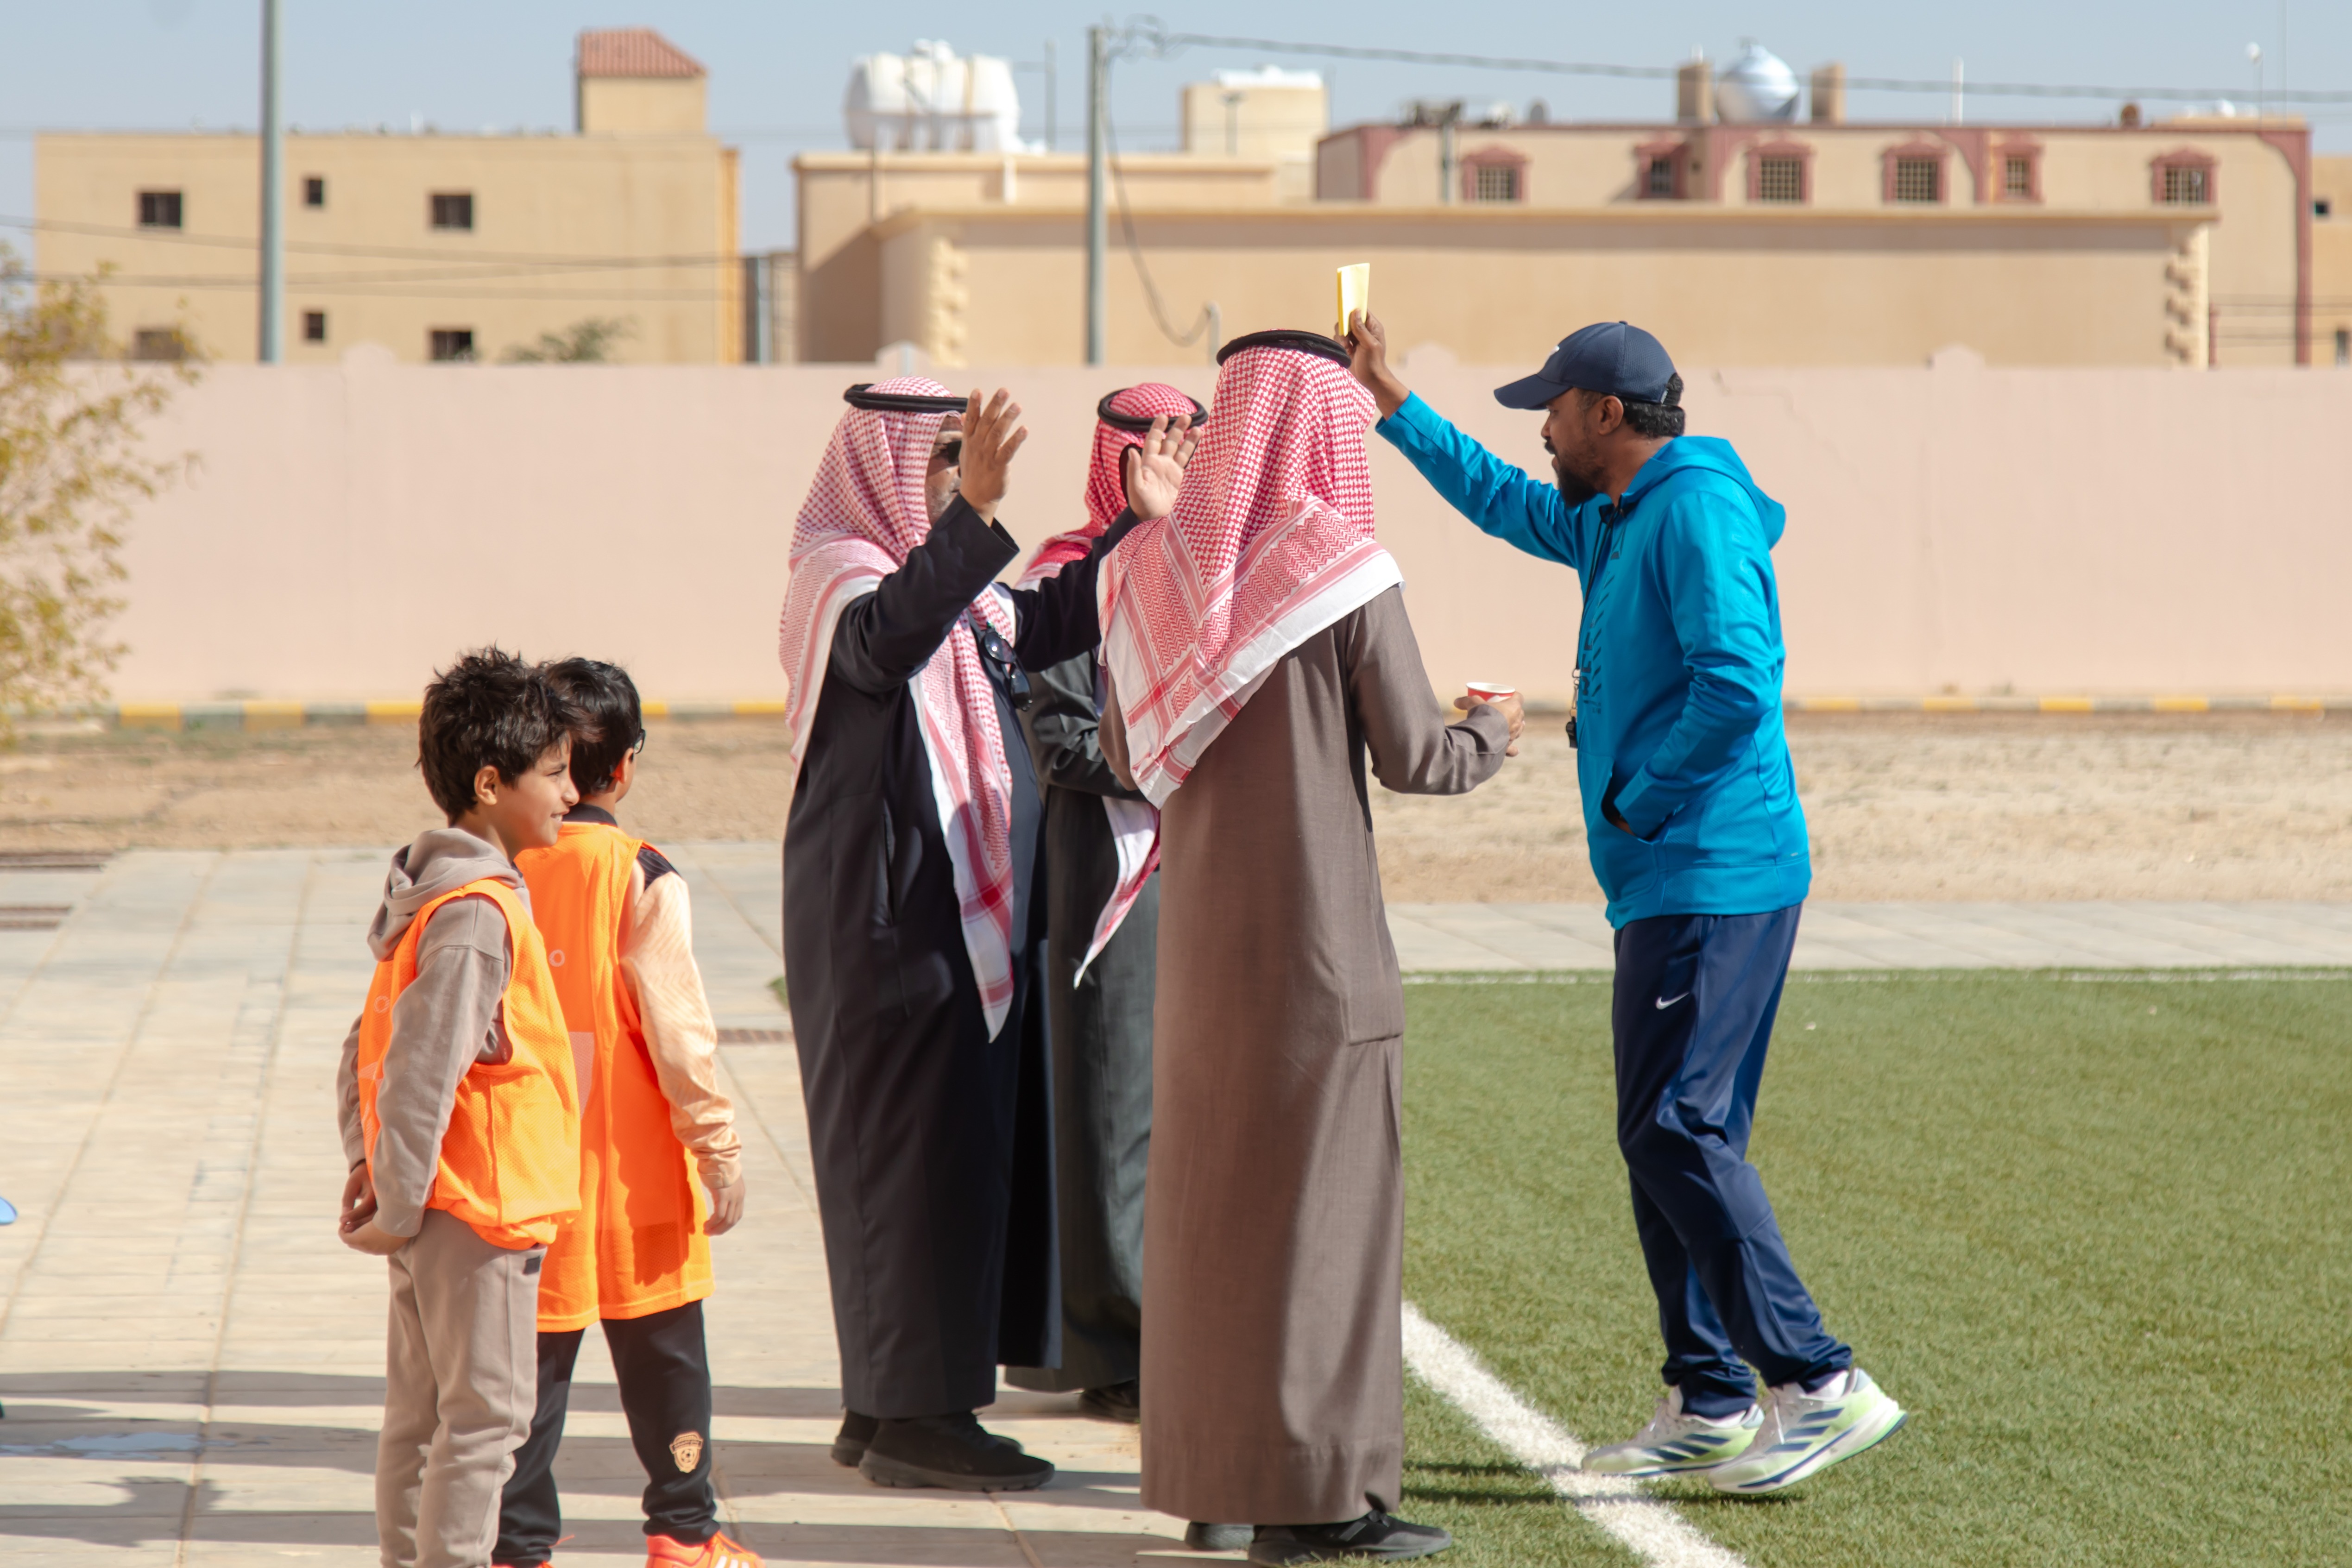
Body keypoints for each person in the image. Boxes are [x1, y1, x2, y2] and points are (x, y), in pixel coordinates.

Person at [1346, 312, 1907, 1494]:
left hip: (1711, 869)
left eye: (1552, 406)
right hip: (1667, 878)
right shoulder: (1614, 514)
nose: (1541, 426)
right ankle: (1707, 1395)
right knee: (1664, 1134)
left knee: (1677, 1130)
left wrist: (1639, 794)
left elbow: (1738, 681)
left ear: (1607, 415)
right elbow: (1502, 499)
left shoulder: (1691, 511)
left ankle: (1814, 1381)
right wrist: (1393, 402)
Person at [1097, 330, 1523, 1565]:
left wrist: (1159, 536)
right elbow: (1415, 756)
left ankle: (1221, 1487)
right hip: (1319, 961)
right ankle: (1319, 1502)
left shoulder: (1149, 575)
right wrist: (1488, 731)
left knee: (1213, 1223)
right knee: (1326, 1227)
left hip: (1202, 968)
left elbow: (1128, 762)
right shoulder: (1340, 569)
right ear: (1328, 425)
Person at [777, 378, 1196, 1491]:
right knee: (909, 1164)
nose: (947, 480)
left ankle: (889, 1404)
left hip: (937, 924)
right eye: (934, 461)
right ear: (881, 465)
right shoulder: (841, 578)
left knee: (940, 1162)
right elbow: (885, 645)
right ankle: (919, 1417)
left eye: (956, 460)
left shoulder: (951, 588)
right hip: (890, 923)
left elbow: (1050, 620)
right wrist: (974, 516)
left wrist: (1129, 528)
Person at [494, 658, 761, 1568]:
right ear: (629, 764)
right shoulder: (640, 874)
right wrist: (719, 1153)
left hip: (526, 1176)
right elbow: (681, 1038)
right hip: (637, 1182)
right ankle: (684, 1534)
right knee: (668, 1366)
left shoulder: (499, 866)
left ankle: (517, 1546)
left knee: (528, 1379)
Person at [334, 649, 584, 1568]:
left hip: (437, 1202)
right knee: (485, 1424)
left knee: (423, 1421)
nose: (569, 792)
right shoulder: (477, 911)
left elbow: (361, 1048)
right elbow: (418, 1068)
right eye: (553, 773)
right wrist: (395, 1194)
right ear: (490, 783)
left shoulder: (433, 897)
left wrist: (378, 1170)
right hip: (475, 1210)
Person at [1001, 383, 1205, 1427]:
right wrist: (1182, 768)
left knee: (1183, 1122)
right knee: (1113, 1110)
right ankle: (1116, 1345)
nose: (1173, 469)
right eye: (1154, 449)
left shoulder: (1195, 573)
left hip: (1199, 873)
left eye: (1189, 446)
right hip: (1110, 874)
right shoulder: (1068, 575)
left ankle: (1165, 1324)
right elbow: (1061, 740)